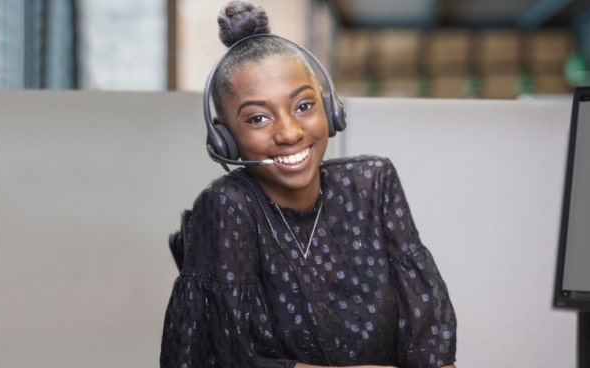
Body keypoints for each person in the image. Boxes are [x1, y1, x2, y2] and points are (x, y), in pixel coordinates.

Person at [160, 1, 457, 367]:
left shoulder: (372, 185)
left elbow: (430, 340)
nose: (289, 133)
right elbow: (223, 357)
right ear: (225, 138)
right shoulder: (228, 205)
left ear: (330, 110)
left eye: (303, 106)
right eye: (257, 118)